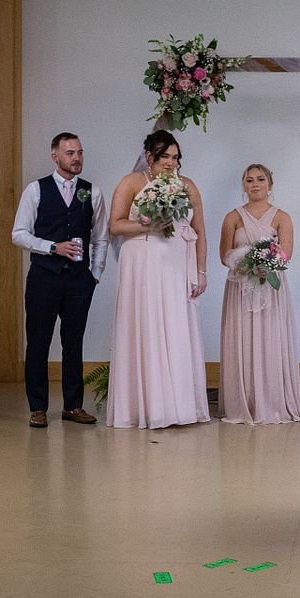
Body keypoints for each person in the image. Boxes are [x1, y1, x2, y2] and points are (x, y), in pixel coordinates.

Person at [107, 131, 209, 429]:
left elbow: (200, 231)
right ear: (150, 156)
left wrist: (201, 272)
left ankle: (179, 406)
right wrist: (146, 224)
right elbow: (115, 224)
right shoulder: (132, 182)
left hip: (177, 263)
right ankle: (146, 406)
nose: (171, 163)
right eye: (165, 156)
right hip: (142, 262)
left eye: (175, 157)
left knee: (176, 327)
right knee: (145, 325)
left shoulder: (187, 185)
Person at [12, 132, 110, 429]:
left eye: (80, 152)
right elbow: (19, 234)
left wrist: (95, 274)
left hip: (79, 282)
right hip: (43, 277)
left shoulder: (92, 192)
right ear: (55, 156)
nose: (76, 158)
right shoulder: (36, 190)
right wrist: (53, 247)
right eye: (70, 153)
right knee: (38, 343)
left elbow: (101, 237)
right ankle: (38, 407)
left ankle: (73, 405)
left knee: (73, 343)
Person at [217, 163, 300, 425]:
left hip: (271, 288)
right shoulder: (232, 217)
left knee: (270, 338)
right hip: (240, 288)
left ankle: (273, 402)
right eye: (249, 180)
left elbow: (286, 253)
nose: (255, 184)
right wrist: (247, 263)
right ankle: (244, 402)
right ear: (243, 185)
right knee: (241, 339)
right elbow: (224, 255)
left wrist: (267, 265)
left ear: (269, 184)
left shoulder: (282, 217)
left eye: (260, 179)